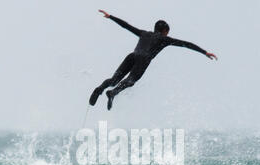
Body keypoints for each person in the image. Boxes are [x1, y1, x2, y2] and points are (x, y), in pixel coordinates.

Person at [90, 10, 218, 110]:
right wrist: (204, 52)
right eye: (167, 32)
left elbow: (127, 26)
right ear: (165, 31)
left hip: (132, 55)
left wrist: (110, 16)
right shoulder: (164, 39)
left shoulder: (144, 33)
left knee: (114, 79)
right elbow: (186, 44)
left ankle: (100, 88)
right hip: (143, 60)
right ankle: (112, 93)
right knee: (131, 81)